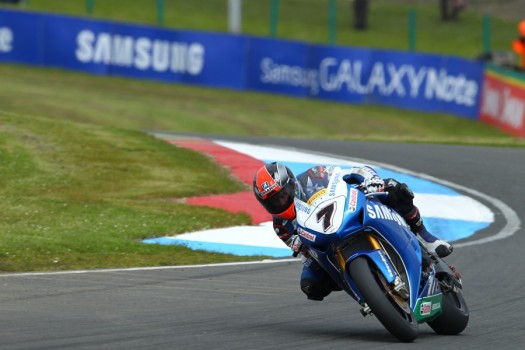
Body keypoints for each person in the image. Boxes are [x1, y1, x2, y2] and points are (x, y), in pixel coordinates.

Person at [253, 162, 453, 301]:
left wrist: (370, 179)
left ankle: (427, 238)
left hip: (347, 212)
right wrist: (300, 247)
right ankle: (365, 290)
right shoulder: (281, 226)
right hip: (325, 244)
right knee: (311, 286)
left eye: (281, 196)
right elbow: (301, 252)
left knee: (394, 188)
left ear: (291, 185)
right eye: (272, 202)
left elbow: (350, 173)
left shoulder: (312, 177)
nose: (279, 203)